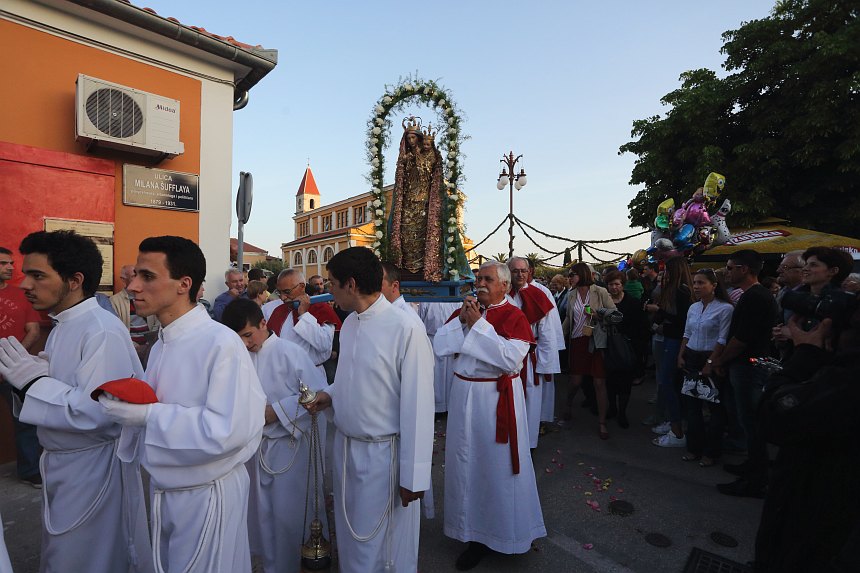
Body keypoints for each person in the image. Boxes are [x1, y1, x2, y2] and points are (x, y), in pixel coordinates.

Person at [100, 235, 266, 572]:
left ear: (184, 284)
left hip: (207, 495)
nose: (132, 286)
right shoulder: (163, 341)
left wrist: (149, 416)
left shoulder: (220, 343)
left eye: (147, 276)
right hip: (170, 490)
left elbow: (227, 430)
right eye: (135, 276)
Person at [0, 230, 153, 573]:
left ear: (74, 280)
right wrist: (37, 376)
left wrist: (35, 382)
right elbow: (71, 387)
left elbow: (100, 412)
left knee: (86, 558)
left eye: (38, 276)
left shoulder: (100, 330)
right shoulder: (64, 325)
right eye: (26, 274)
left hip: (92, 467)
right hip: (64, 464)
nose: (25, 285)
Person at [302, 247, 434, 573]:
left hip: (383, 458)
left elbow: (419, 404)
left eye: (331, 282)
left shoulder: (406, 328)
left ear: (351, 284)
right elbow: (354, 378)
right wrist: (329, 395)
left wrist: (414, 475)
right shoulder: (349, 325)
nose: (326, 289)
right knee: (353, 544)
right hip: (346, 450)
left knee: (384, 548)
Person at [433, 261, 545, 570]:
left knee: (495, 467)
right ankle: (472, 533)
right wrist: (465, 324)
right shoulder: (465, 313)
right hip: (464, 397)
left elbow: (510, 360)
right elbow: (440, 345)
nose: (480, 283)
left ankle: (503, 532)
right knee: (466, 465)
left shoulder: (514, 316)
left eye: (487, 279)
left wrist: (478, 325)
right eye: (478, 277)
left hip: (495, 399)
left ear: (505, 287)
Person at [221, 298, 328, 573]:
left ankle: (291, 564)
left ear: (263, 323)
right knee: (257, 516)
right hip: (251, 450)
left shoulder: (291, 354)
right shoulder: (237, 358)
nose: (246, 343)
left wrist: (276, 412)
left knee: (286, 516)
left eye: (248, 335)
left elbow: (317, 397)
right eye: (239, 338)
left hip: (287, 448)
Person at [708, 249, 778, 497]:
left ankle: (756, 479)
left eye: (729, 267)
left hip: (748, 366)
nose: (726, 272)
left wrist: (720, 360)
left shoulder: (756, 297)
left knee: (751, 421)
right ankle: (752, 465)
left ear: (744, 269)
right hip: (744, 364)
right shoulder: (753, 295)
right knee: (746, 419)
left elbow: (742, 338)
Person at [677, 269, 733, 466]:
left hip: (710, 358)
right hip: (691, 356)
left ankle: (711, 452)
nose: (697, 287)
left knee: (714, 408)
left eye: (701, 283)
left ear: (714, 285)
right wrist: (681, 354)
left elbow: (723, 339)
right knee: (692, 407)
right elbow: (687, 332)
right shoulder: (693, 307)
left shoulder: (725, 309)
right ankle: (694, 448)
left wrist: (711, 362)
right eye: (695, 283)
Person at [507, 257, 560, 449]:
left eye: (523, 270)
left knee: (530, 401)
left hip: (530, 359)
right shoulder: (502, 295)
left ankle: (528, 444)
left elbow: (547, 333)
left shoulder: (538, 295)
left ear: (529, 272)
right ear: (508, 273)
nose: (520, 274)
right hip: (506, 358)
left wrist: (545, 365)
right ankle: (509, 441)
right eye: (515, 271)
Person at [0, 246, 42, 488]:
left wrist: (12, 363)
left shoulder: (20, 294)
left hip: (14, 370)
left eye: (10, 263)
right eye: (3, 263)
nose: (9, 268)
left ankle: (29, 470)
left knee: (25, 420)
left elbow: (34, 331)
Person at [561, 262, 616, 439]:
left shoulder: (599, 292)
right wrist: (558, 338)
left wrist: (597, 314)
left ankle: (602, 423)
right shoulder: (571, 295)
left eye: (572, 275)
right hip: (577, 342)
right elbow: (569, 319)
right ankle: (568, 403)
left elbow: (615, 314)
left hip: (596, 342)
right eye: (569, 275)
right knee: (575, 381)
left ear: (582, 274)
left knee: (599, 383)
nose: (569, 278)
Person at [388, 117, 444, 281]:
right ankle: (404, 266)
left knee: (422, 234)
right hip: (408, 202)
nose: (411, 141)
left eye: (413, 138)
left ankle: (425, 268)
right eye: (408, 138)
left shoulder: (430, 155)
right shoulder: (405, 158)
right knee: (406, 233)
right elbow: (401, 180)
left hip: (424, 201)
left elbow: (431, 173)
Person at [647, 256, 694, 447]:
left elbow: (682, 323)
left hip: (674, 341)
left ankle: (677, 431)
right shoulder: (676, 290)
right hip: (671, 339)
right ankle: (675, 423)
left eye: (667, 270)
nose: (664, 273)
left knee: (668, 383)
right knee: (672, 384)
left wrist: (661, 321)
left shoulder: (682, 292)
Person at [267, 269, 341, 372]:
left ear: (302, 286)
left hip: (310, 374)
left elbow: (324, 344)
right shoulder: (279, 310)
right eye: (279, 292)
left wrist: (304, 315)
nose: (283, 297)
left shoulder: (320, 308)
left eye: (287, 292)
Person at [604, 270, 648, 429]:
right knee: (610, 380)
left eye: (617, 284)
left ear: (623, 285)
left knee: (624, 383)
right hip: (608, 347)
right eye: (611, 284)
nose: (614, 287)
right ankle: (612, 407)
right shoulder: (604, 301)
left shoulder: (633, 302)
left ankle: (622, 412)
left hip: (627, 347)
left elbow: (641, 327)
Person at [110, 264, 160, 366]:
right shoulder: (114, 302)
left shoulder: (150, 297)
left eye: (141, 275)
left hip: (151, 348)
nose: (139, 280)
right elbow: (117, 330)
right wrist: (135, 347)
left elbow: (157, 320)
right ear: (124, 280)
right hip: (130, 351)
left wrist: (149, 344)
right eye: (134, 276)